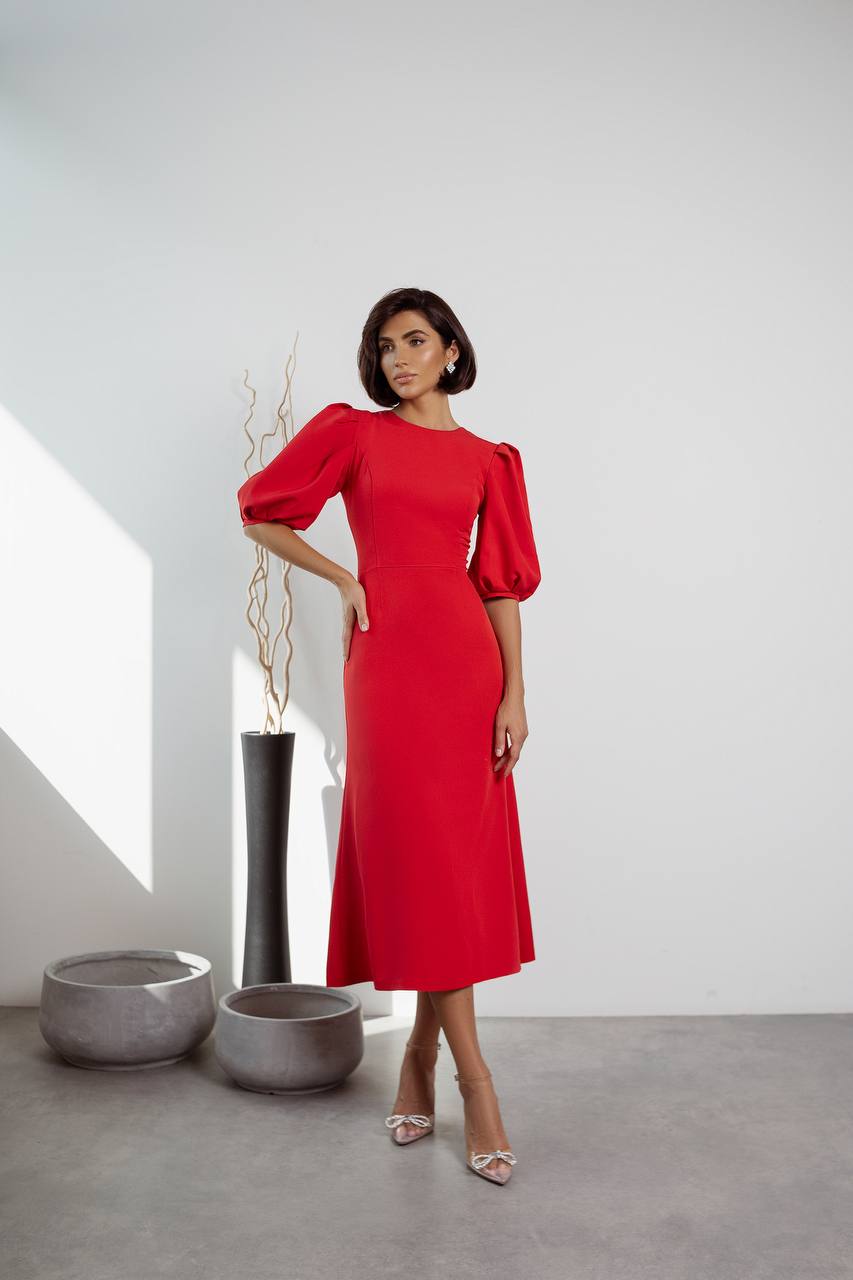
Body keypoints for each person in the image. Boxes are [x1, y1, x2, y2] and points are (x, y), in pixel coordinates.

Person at [237, 286, 542, 1186]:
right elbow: (261, 510)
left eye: (415, 341)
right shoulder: (354, 433)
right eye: (382, 345)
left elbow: (498, 588)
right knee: (415, 860)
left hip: (465, 665)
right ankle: (475, 1082)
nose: (396, 358)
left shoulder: (491, 458)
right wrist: (342, 578)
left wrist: (515, 692)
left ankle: (417, 1058)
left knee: (450, 868)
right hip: (386, 665)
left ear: (451, 349)